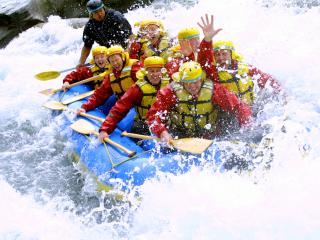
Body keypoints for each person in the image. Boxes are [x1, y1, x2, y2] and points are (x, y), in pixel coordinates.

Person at [146, 61, 252, 143]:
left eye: (195, 82)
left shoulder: (215, 90)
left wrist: (247, 127)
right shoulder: (169, 92)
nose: (192, 86)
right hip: (180, 135)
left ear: (201, 79)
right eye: (188, 83)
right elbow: (153, 116)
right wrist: (162, 132)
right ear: (181, 82)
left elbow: (239, 106)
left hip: (210, 135)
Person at [97, 56, 170, 142]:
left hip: (162, 123)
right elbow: (119, 108)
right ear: (146, 72)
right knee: (140, 129)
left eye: (158, 71)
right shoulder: (137, 89)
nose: (155, 74)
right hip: (143, 123)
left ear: (162, 72)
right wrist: (105, 129)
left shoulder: (168, 85)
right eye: (151, 71)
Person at [211, 40, 282, 106]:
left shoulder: (245, 68)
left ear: (231, 55)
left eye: (224, 54)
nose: (220, 58)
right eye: (217, 55)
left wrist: (281, 92)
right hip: (233, 110)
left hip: (252, 106)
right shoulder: (214, 74)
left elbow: (267, 80)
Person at [77, 45, 143, 115]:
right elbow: (100, 93)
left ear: (123, 57)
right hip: (123, 102)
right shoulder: (111, 74)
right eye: (112, 61)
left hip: (138, 104)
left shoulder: (134, 67)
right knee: (102, 110)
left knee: (122, 123)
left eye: (117, 60)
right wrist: (84, 107)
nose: (115, 63)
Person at [77, 0, 132, 68]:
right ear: (91, 14)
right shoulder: (90, 26)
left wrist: (127, 52)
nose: (99, 14)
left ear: (104, 8)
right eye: (96, 12)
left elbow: (131, 36)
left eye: (100, 10)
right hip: (109, 53)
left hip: (125, 48)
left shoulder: (116, 17)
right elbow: (87, 46)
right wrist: (81, 62)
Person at [165, 14, 222, 79]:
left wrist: (207, 39)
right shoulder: (175, 59)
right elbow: (183, 78)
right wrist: (189, 56)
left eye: (197, 38)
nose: (197, 42)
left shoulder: (207, 51)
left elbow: (208, 68)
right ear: (182, 43)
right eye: (192, 40)